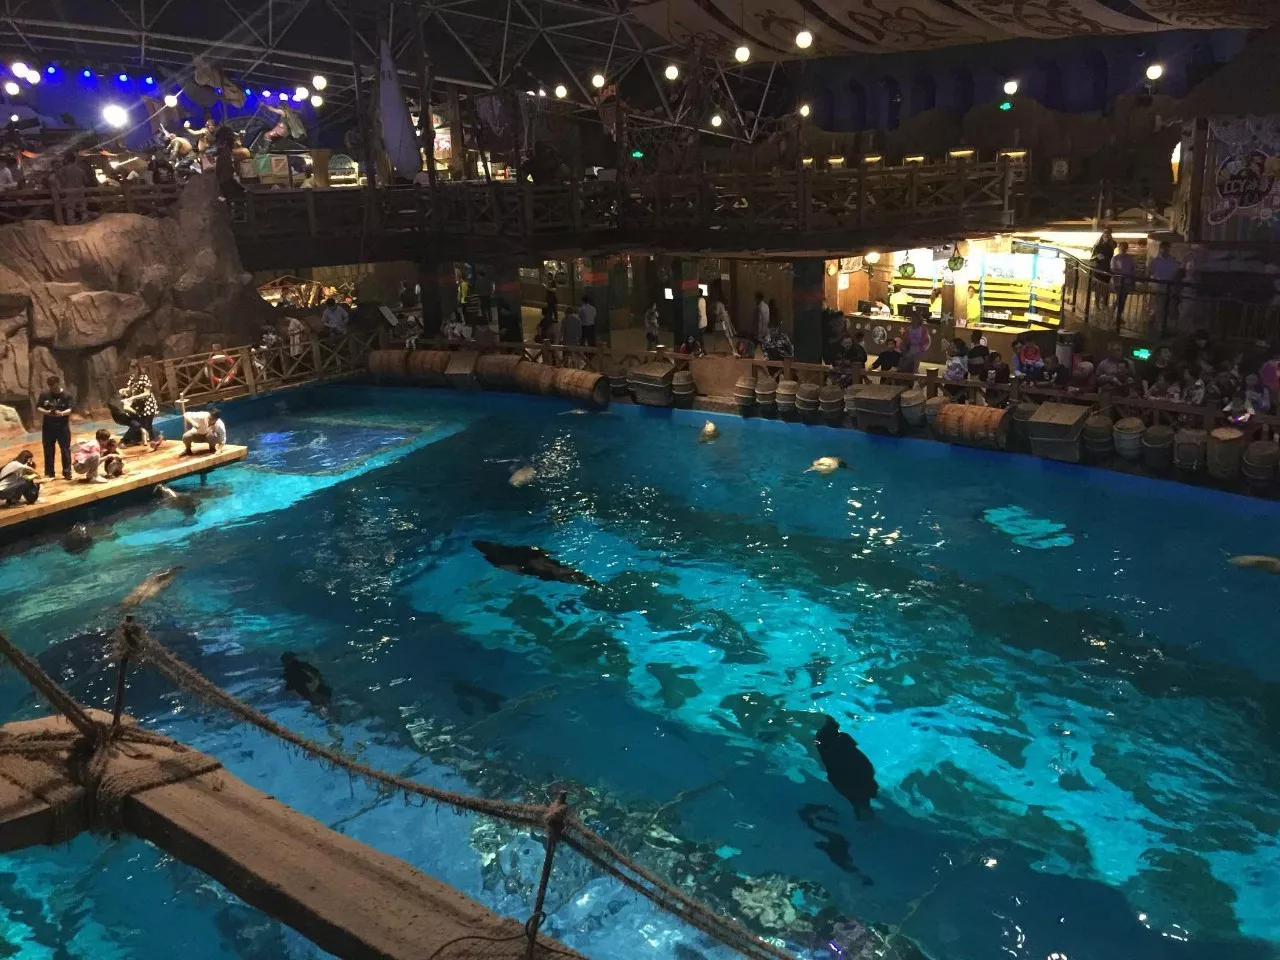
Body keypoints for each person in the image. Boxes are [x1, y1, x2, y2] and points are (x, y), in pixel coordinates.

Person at [815, 715, 878, 821]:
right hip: (847, 765)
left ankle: (830, 727)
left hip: (845, 765)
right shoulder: (867, 792)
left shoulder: (864, 793)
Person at [36, 375, 73, 480]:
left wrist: (61, 413)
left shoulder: (67, 395)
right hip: (48, 427)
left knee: (65, 449)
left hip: (62, 427)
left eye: (54, 386)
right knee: (48, 449)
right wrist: (47, 412)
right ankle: (49, 472)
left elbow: (70, 409)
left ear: (58, 383)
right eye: (50, 386)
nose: (52, 388)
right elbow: (38, 407)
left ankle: (67, 472)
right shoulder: (44, 394)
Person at [120, 357, 161, 448]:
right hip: (139, 405)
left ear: (138, 368)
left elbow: (147, 393)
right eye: (131, 367)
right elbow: (130, 389)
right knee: (143, 425)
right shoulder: (132, 378)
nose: (132, 369)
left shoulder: (144, 378)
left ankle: (154, 441)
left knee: (148, 425)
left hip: (147, 404)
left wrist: (133, 398)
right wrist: (124, 390)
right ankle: (155, 440)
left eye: (134, 367)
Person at [53, 150, 91, 223]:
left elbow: (58, 177)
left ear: (67, 160)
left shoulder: (64, 169)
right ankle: (85, 219)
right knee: (82, 205)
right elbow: (86, 181)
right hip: (80, 189)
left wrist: (62, 185)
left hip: (69, 190)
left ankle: (71, 221)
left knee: (70, 207)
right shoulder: (80, 170)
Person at [1150, 240, 1180, 329]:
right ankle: (1161, 326)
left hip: (1169, 286)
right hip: (1160, 286)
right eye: (1163, 248)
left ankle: (1166, 325)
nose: (1165, 250)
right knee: (1161, 306)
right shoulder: (1156, 261)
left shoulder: (1172, 261)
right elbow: (1151, 271)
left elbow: (1175, 274)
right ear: (1160, 249)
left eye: (1167, 248)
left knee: (1169, 306)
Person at [1110, 241, 1136, 328]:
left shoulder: (1130, 259)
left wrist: (1132, 281)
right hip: (1119, 282)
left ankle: (1116, 314)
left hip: (1127, 281)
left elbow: (1132, 270)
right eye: (1122, 247)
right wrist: (1115, 280)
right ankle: (1116, 315)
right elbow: (1113, 270)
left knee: (1122, 299)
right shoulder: (1115, 258)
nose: (1123, 249)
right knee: (1120, 299)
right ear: (1119, 248)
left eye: (1125, 247)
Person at [1091, 227, 1116, 308]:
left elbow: (1112, 256)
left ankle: (1104, 302)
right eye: (1105, 235)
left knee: (1105, 287)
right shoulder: (1097, 246)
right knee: (1099, 287)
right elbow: (1091, 258)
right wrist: (1097, 256)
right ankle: (1097, 303)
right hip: (1099, 268)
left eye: (1108, 235)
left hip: (1107, 268)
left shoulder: (1112, 245)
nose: (1106, 237)